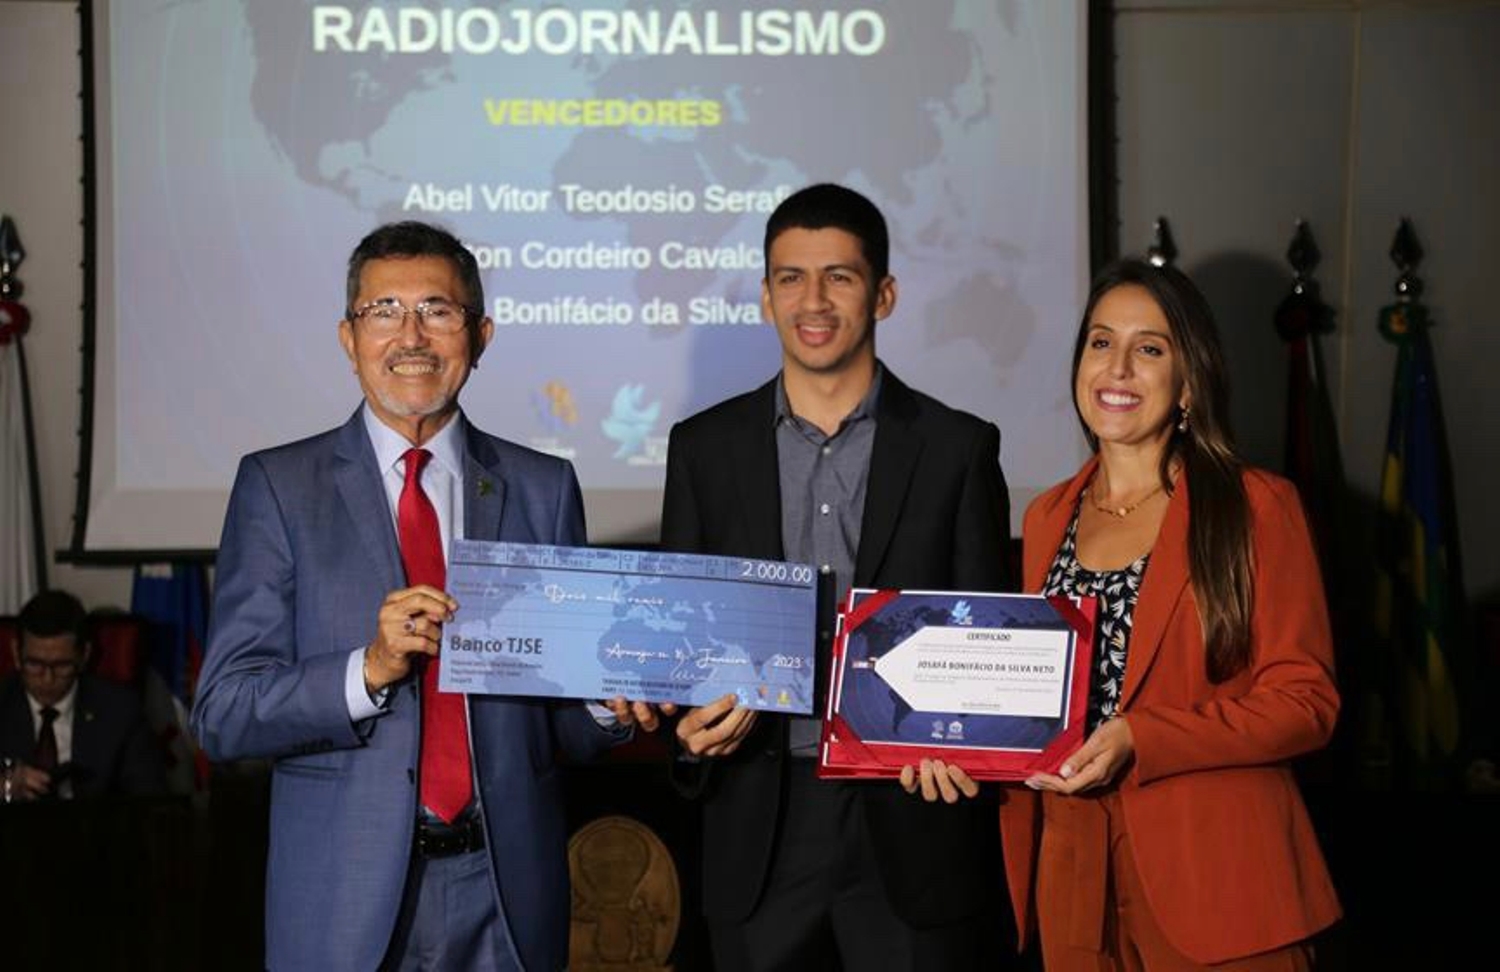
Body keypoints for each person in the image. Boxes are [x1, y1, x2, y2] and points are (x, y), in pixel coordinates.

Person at [190, 221, 655, 971]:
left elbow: (557, 726)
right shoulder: (278, 488)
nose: (411, 335)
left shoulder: (543, 488)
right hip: (341, 901)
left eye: (437, 310)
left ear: (480, 334)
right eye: (384, 312)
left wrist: (603, 704)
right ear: (348, 337)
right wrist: (365, 670)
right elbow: (223, 715)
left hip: (504, 894)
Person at [660, 183, 1014, 971]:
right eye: (790, 277)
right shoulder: (703, 448)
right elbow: (682, 635)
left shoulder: (959, 448)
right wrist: (686, 731)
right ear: (764, 296)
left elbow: (986, 638)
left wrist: (968, 739)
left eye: (839, 276)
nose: (812, 300)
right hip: (757, 819)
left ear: (883, 294)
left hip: (913, 824)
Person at [962, 258, 1340, 969]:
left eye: (1150, 348)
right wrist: (951, 741)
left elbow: (1306, 701)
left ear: (1190, 379)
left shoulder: (1257, 507)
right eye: (1101, 342)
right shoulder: (1046, 517)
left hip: (1218, 877)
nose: (1118, 367)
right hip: (1070, 869)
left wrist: (1145, 735)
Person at [1, 589, 166, 802]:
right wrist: (5, 786)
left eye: (61, 665)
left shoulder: (121, 711)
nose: (47, 679)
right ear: (16, 653)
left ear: (84, 655)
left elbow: (150, 799)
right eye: (35, 664)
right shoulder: (3, 701)